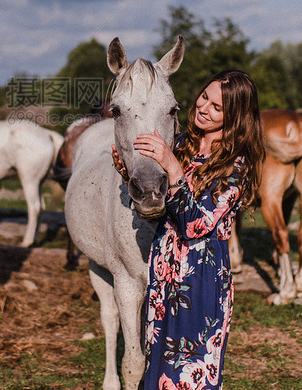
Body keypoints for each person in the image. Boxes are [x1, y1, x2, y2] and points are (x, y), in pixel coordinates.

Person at [112, 69, 264, 390]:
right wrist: (129, 170)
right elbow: (159, 199)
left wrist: (171, 165)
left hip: (199, 283)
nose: (203, 107)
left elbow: (197, 225)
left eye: (217, 107)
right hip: (164, 272)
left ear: (235, 117)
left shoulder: (236, 165)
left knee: (187, 375)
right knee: (157, 372)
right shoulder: (182, 142)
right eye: (204, 97)